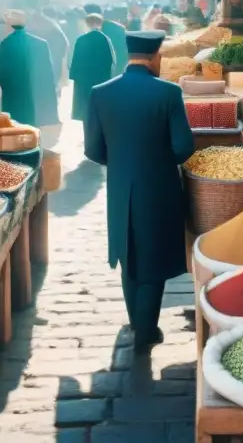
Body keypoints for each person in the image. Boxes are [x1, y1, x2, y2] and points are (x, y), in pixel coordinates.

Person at [84, 30, 194, 352]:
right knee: (154, 256)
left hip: (119, 186)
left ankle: (137, 322)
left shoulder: (100, 93)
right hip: (158, 186)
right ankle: (145, 331)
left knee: (128, 252)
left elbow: (92, 149)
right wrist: (157, 162)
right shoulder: (168, 93)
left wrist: (121, 162)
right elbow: (183, 147)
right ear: (157, 55)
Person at [0, 10, 60, 128]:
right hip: (34, 96)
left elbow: (0, 73)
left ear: (9, 25)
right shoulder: (41, 43)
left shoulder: (6, 43)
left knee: (16, 131)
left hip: (13, 97)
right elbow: (48, 74)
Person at [68, 13, 115, 121]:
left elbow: (76, 60)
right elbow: (111, 60)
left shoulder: (81, 39)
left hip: (83, 79)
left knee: (85, 109)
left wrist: (74, 76)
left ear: (87, 24)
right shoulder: (105, 39)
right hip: (101, 78)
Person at [27, 8, 69, 87]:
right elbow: (64, 46)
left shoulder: (30, 26)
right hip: (52, 71)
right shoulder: (54, 26)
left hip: (37, 72)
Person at [101, 7, 129, 75]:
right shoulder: (121, 28)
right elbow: (125, 45)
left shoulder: (99, 28)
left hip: (102, 59)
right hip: (119, 58)